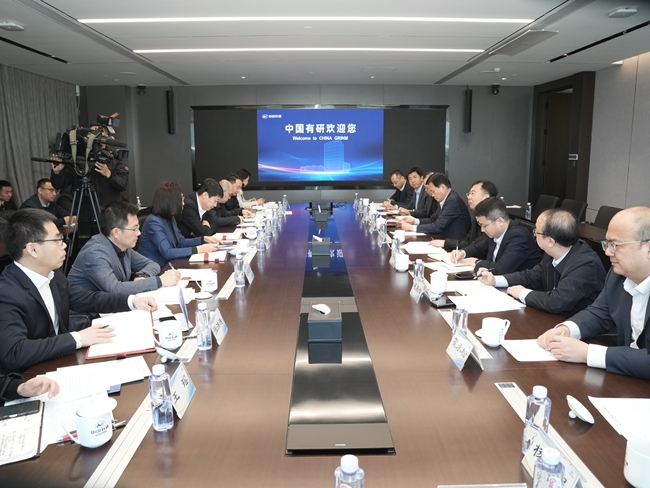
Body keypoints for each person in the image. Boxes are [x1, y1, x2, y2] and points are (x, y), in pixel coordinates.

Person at [0, 209, 157, 373]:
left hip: (59, 362)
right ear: (33, 250)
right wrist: (78, 338)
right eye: (57, 240)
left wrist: (132, 301)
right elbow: (14, 352)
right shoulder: (6, 293)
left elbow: (87, 299)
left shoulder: (53, 274)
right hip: (30, 376)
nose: (64, 245)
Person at [537, 206, 650, 379]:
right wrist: (567, 329)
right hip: (627, 378)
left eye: (615, 245)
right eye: (607, 244)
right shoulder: (617, 275)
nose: (607, 252)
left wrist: (587, 353)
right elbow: (600, 312)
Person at [478, 208, 606, 316]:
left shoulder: (586, 264)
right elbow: (531, 276)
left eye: (536, 231)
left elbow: (557, 301)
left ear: (550, 241)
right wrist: (495, 280)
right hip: (555, 318)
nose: (534, 234)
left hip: (578, 328)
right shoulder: (551, 253)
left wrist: (522, 293)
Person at [69, 201, 180, 294]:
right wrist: (160, 281)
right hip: (89, 312)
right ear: (116, 232)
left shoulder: (123, 247)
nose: (139, 233)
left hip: (112, 307)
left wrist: (142, 276)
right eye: (134, 229)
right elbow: (114, 289)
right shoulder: (95, 253)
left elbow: (152, 264)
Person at [138, 181, 221, 267]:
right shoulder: (154, 222)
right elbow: (167, 252)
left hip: (170, 264)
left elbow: (181, 242)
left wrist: (203, 239)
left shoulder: (170, 218)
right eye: (181, 200)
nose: (183, 203)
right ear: (172, 201)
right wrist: (198, 249)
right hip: (155, 269)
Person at [451, 197, 541, 275]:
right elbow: (478, 248)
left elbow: (501, 268)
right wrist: (463, 253)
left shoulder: (519, 237)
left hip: (518, 286)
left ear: (500, 221)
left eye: (485, 226)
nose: (482, 230)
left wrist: (476, 262)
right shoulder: (496, 232)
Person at [50, 123, 129, 207]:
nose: (93, 136)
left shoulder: (115, 160)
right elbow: (59, 185)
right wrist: (57, 172)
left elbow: (122, 184)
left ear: (106, 139)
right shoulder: (79, 159)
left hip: (110, 210)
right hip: (85, 210)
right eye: (90, 133)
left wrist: (108, 174)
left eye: (98, 133)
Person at [430, 180, 498, 250]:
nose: (469, 197)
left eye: (473, 193)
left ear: (486, 197)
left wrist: (446, 243)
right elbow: (468, 241)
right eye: (469, 194)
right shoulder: (477, 216)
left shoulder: (492, 219)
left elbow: (477, 245)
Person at [400, 174, 471, 240]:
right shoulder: (445, 199)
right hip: (443, 239)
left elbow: (438, 226)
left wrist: (412, 227)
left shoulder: (452, 201)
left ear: (443, 187)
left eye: (433, 191)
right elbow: (432, 220)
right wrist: (414, 221)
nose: (432, 195)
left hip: (454, 243)